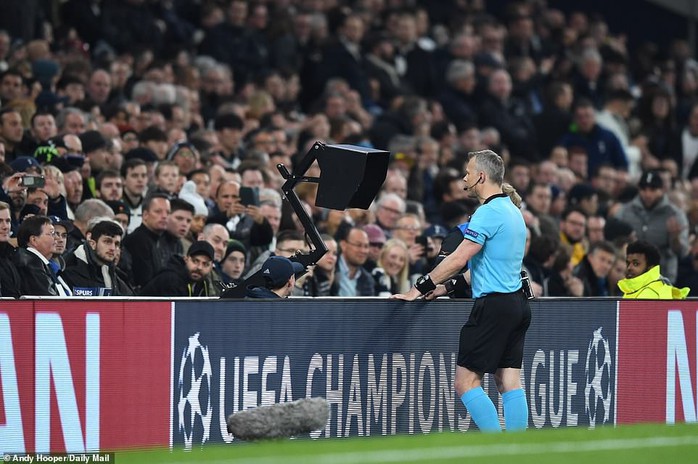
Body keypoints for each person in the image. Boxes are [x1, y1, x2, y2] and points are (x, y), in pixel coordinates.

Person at [392, 149, 531, 433]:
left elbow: (459, 258)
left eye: (467, 172)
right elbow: (483, 267)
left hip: (493, 307)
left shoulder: (487, 213)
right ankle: (520, 451)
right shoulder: (514, 212)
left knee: (465, 382)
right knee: (508, 382)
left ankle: (495, 449)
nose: (464, 178)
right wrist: (444, 288)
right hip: (517, 305)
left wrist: (418, 288)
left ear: (481, 176)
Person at [62, 220, 133, 296]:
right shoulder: (69, 266)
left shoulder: (112, 271)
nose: (112, 248)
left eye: (116, 244)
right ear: (92, 244)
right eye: (107, 242)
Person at [13, 215, 72, 296]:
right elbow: (48, 302)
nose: (56, 238)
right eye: (51, 234)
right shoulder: (30, 263)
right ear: (34, 240)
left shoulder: (42, 263)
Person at [139, 241, 215, 297]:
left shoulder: (203, 283)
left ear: (211, 267)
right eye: (195, 261)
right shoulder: (171, 279)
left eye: (205, 264)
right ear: (186, 259)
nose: (199, 267)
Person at [618, 240, 689, 299]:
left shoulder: (651, 294)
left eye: (636, 264)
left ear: (650, 267)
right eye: (628, 263)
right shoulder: (633, 290)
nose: (629, 268)